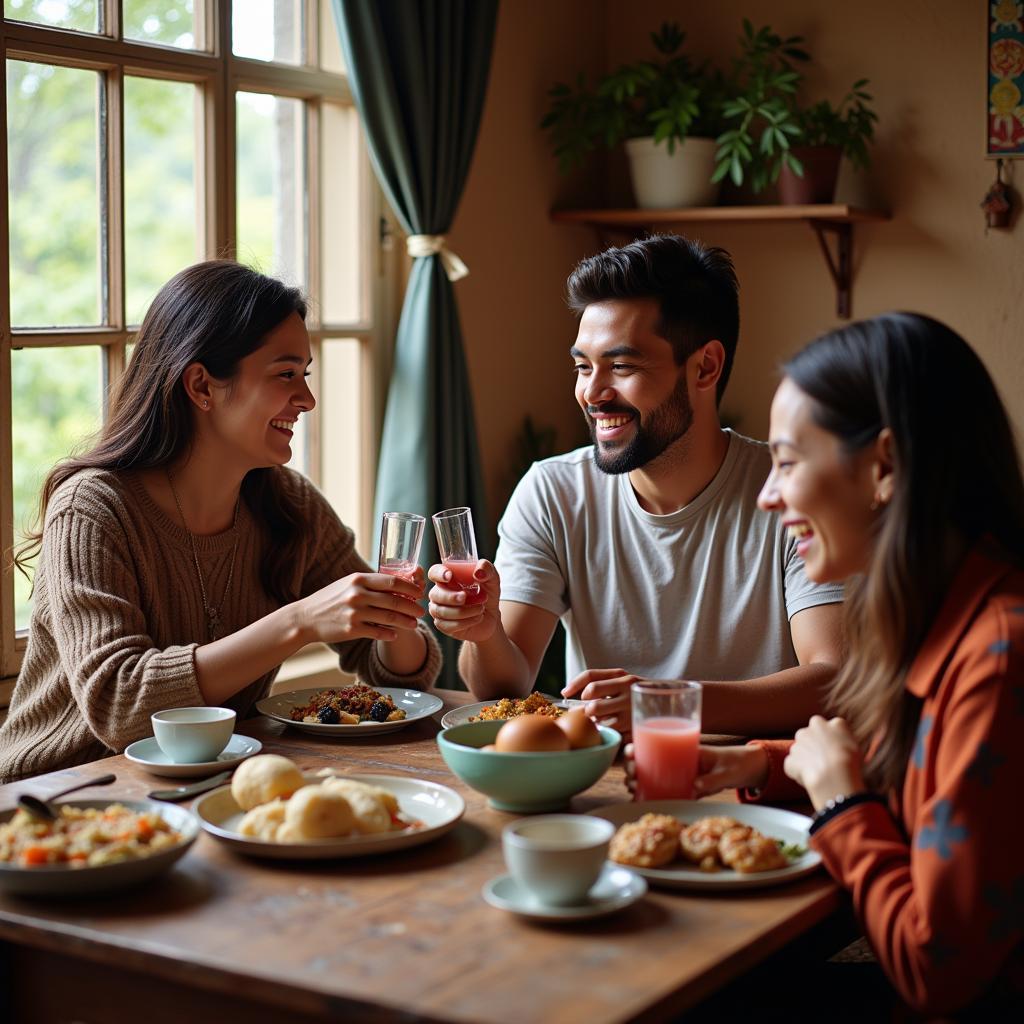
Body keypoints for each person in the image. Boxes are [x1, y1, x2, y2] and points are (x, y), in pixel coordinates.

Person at [678, 312, 1024, 1015]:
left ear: (885, 467)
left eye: (787, 462)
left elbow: (936, 973)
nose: (766, 495)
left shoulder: (1001, 658)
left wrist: (839, 799)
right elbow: (926, 773)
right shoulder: (949, 614)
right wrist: (761, 764)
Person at [0, 261, 440, 783]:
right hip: (57, 798)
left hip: (201, 786)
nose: (307, 400)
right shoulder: (93, 509)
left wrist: (394, 614)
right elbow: (121, 706)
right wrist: (298, 622)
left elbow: (397, 667)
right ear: (202, 386)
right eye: (285, 375)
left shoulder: (289, 504)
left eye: (306, 375)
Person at [427, 235, 843, 735]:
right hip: (605, 787)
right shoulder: (553, 492)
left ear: (705, 367)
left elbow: (833, 680)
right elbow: (502, 690)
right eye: (584, 367)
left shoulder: (792, 495)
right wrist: (486, 633)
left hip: (754, 786)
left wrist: (666, 703)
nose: (591, 393)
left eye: (621, 366)